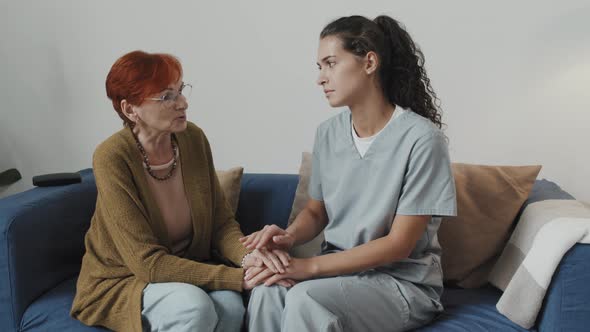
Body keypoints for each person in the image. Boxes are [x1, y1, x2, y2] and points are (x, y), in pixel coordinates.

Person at [241, 15, 457, 332]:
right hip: (337, 273)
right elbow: (316, 211)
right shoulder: (328, 134)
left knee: (306, 299)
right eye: (319, 67)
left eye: (330, 63)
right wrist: (290, 237)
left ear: (369, 62)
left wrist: (309, 266)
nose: (321, 78)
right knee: (268, 289)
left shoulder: (422, 140)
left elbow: (398, 245)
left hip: (400, 282)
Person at [70, 50, 291, 332]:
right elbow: (147, 264)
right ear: (130, 110)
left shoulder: (193, 139)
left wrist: (249, 258)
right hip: (125, 278)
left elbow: (221, 225)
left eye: (180, 90)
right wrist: (240, 277)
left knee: (231, 308)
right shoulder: (112, 156)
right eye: (166, 97)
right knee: (193, 307)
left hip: (188, 266)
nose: (183, 103)